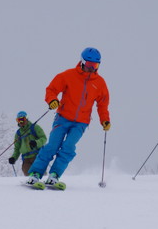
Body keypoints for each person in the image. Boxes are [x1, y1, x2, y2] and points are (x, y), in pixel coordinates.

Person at [26, 47, 111, 188]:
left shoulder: (100, 83)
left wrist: (105, 120)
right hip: (63, 117)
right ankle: (35, 173)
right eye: (89, 65)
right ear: (82, 62)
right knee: (52, 146)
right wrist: (52, 100)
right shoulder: (68, 75)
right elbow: (51, 90)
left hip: (81, 123)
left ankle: (54, 175)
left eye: (95, 66)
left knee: (68, 147)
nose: (92, 69)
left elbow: (102, 105)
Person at [8, 111, 48, 176]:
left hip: (37, 156)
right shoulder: (18, 134)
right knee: (28, 175)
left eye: (22, 119)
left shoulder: (34, 128)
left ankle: (43, 181)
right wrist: (14, 158)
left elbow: (44, 138)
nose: (21, 122)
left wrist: (36, 143)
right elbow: (17, 148)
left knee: (40, 173)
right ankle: (31, 183)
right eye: (18, 120)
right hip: (26, 159)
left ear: (26, 118)